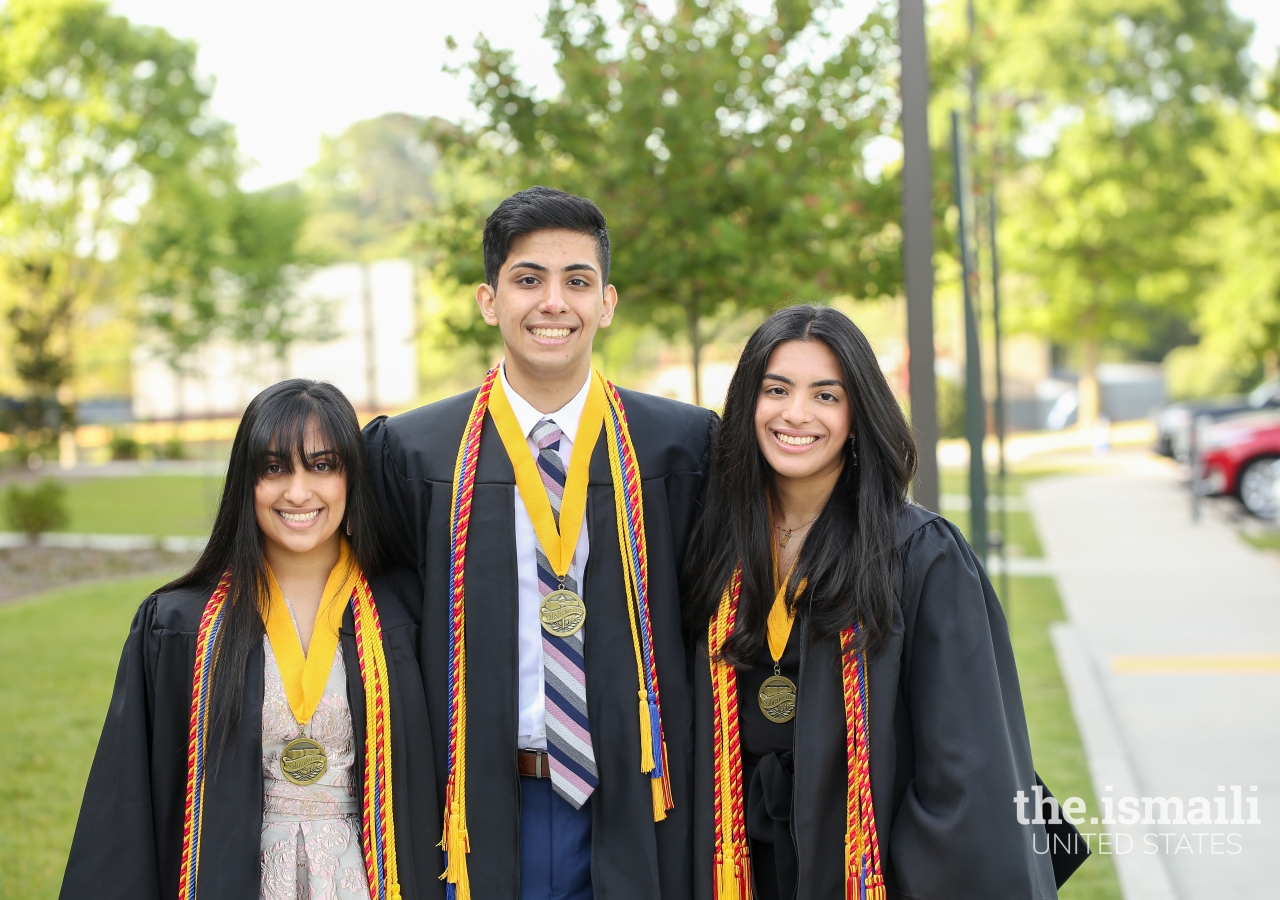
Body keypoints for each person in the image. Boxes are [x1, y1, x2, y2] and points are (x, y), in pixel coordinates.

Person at [363, 186, 717, 900]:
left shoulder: (680, 447)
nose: (553, 302)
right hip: (479, 807)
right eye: (529, 279)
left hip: (639, 805)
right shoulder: (415, 452)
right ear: (488, 300)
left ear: (607, 303)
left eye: (576, 281)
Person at [683, 305, 1062, 900]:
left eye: (826, 396)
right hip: (739, 860)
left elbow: (964, 765)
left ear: (858, 416)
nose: (796, 414)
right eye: (776, 389)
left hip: (868, 867)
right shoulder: (718, 544)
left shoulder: (918, 554)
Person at [60, 379, 443, 900]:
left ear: (352, 477)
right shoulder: (180, 628)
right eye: (274, 468)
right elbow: (126, 807)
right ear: (247, 482)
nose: (298, 491)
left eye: (323, 465)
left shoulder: (406, 613)